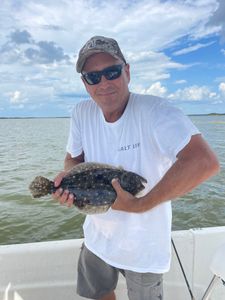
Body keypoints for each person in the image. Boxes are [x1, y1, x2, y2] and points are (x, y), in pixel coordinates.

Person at [53, 36, 220, 300]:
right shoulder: (81, 113)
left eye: (111, 72)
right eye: (93, 77)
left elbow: (205, 162)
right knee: (99, 295)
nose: (104, 83)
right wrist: (68, 180)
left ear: (127, 71)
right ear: (84, 83)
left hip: (144, 247)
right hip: (97, 238)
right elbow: (73, 159)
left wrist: (139, 205)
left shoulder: (157, 111)